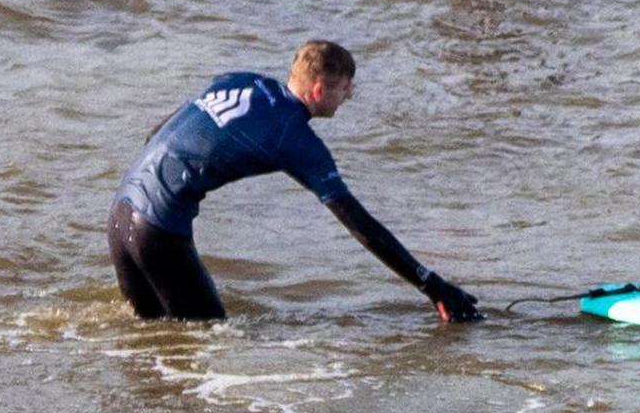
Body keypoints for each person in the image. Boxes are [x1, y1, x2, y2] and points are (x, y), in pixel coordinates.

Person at [111, 42, 477, 324]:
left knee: (152, 345)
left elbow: (155, 134)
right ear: (319, 90)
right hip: (158, 233)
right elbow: (360, 224)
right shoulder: (294, 137)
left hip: (120, 214)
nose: (348, 96)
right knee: (205, 340)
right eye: (346, 89)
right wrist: (433, 286)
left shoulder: (240, 80)